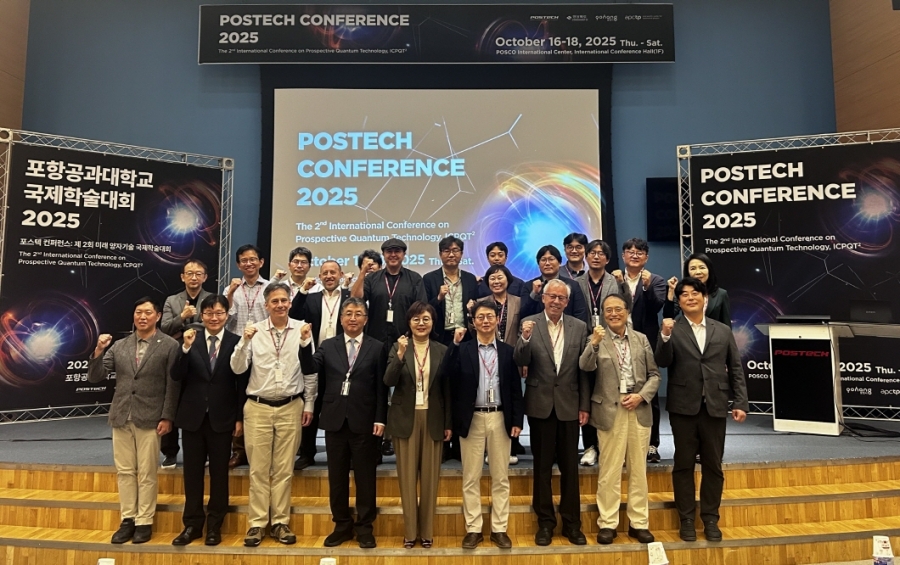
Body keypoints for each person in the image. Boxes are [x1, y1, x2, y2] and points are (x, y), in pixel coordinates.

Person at [655, 277, 748, 543]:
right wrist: (664, 336)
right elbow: (662, 361)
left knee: (713, 466)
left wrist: (740, 402)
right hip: (683, 407)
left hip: (715, 405)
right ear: (679, 301)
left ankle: (710, 518)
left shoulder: (722, 330)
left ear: (704, 298)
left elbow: (736, 368)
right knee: (683, 465)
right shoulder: (672, 328)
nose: (690, 297)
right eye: (684, 294)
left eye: (695, 293)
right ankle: (686, 518)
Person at [230, 282, 317, 548]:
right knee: (258, 470)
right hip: (258, 407)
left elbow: (310, 371)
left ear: (290, 302)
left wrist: (309, 404)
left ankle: (280, 522)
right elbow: (237, 368)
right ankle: (257, 523)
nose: (280, 305)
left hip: (291, 406)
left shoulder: (302, 329)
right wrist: (244, 341)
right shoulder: (254, 331)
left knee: (283, 470)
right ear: (266, 305)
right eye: (275, 301)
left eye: (284, 300)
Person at [87, 297, 180, 545]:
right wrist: (99, 350)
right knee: (125, 472)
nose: (142, 317)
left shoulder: (169, 345)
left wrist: (167, 416)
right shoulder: (120, 345)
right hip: (121, 415)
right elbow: (95, 377)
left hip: (151, 417)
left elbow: (173, 386)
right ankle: (127, 519)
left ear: (158, 316)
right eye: (138, 312)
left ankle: (144, 521)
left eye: (148, 312)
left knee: (147, 473)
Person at [300, 297, 389, 549]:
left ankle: (365, 527)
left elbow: (381, 388)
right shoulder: (328, 345)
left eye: (358, 314)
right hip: (335, 420)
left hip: (365, 421)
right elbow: (310, 367)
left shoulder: (377, 347)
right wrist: (305, 343)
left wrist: (381, 418)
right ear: (340, 319)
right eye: (348, 313)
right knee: (337, 478)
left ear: (366, 319)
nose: (353, 318)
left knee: (365, 477)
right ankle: (341, 525)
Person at [514, 279, 590, 546]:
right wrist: (524, 339)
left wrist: (584, 405)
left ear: (567, 302)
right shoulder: (529, 323)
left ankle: (572, 524)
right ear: (543, 298)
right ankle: (545, 523)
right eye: (552, 296)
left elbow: (583, 370)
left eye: (561, 298)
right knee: (542, 467)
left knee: (570, 468)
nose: (556, 301)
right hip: (540, 404)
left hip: (570, 404)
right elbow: (520, 360)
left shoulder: (579, 327)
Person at [579, 294, 659, 545]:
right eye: (608, 310)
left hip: (638, 407)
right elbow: (584, 366)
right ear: (602, 314)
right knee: (610, 470)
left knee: (638, 470)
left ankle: (639, 523)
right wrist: (594, 343)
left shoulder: (641, 339)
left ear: (627, 311)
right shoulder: (596, 339)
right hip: (609, 410)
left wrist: (641, 396)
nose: (613, 314)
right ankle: (607, 523)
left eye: (618, 309)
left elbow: (654, 375)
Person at [170, 294, 248, 547]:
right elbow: (176, 374)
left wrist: (239, 418)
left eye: (219, 313)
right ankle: (192, 525)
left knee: (219, 474)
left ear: (227, 315)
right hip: (192, 417)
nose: (214, 318)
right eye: (209, 313)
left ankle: (215, 525)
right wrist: (184, 348)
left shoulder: (237, 342)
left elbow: (241, 384)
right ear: (201, 316)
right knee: (192, 474)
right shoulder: (190, 339)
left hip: (222, 418)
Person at [446, 301, 524, 550]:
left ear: (497, 320)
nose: (486, 321)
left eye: (490, 316)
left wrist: (517, 421)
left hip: (500, 417)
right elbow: (447, 376)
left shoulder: (508, 351)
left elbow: (515, 389)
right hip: (473, 418)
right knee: (471, 477)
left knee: (501, 477)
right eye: (480, 317)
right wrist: (454, 344)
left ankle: (499, 529)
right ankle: (474, 528)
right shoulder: (464, 349)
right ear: (473, 322)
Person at [384, 302, 451, 548]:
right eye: (416, 319)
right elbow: (388, 380)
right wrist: (401, 355)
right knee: (407, 478)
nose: (421, 324)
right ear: (409, 322)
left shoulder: (442, 350)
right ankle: (410, 532)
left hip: (433, 418)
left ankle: (427, 532)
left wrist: (448, 423)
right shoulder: (398, 347)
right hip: (406, 419)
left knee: (431, 480)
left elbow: (447, 390)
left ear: (433, 322)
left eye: (426, 319)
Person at [351, 237, 426, 460]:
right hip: (375, 343)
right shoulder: (373, 278)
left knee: (403, 391)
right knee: (376, 392)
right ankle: (376, 442)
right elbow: (355, 298)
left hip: (403, 342)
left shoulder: (414, 278)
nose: (393, 255)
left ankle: (397, 440)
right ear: (383, 255)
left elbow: (420, 309)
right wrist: (362, 273)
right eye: (389, 251)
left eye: (397, 251)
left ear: (404, 254)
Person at [574, 240, 632, 467]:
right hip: (585, 342)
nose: (596, 256)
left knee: (609, 393)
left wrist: (623, 284)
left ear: (607, 259)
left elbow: (627, 306)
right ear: (586, 257)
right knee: (588, 393)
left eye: (601, 253)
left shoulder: (615, 281)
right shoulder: (576, 283)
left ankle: (616, 445)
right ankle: (590, 446)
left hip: (611, 341)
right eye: (592, 253)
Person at [289, 260, 350, 470]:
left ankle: (343, 454)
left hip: (343, 360)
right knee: (311, 403)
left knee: (340, 406)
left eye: (333, 272)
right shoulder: (312, 298)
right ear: (320, 276)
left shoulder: (349, 297)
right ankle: (307, 453)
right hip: (316, 357)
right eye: (325, 273)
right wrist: (303, 292)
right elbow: (293, 314)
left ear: (340, 274)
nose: (329, 276)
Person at [614, 238, 666, 463]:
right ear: (623, 255)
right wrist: (620, 285)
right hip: (618, 342)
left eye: (639, 252)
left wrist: (646, 287)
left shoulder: (656, 280)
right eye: (630, 251)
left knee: (648, 393)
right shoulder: (614, 278)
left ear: (646, 257)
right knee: (618, 392)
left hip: (645, 343)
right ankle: (623, 444)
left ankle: (652, 444)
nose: (634, 255)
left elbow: (656, 307)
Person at [159, 259, 212, 469]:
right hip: (176, 354)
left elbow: (214, 324)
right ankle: (170, 451)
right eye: (189, 273)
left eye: (198, 273)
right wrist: (182, 317)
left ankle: (204, 450)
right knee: (172, 398)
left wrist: (182, 330)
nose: (194, 277)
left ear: (205, 277)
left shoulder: (211, 299)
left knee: (200, 400)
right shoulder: (172, 301)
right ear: (182, 277)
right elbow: (164, 328)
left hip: (203, 355)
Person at [473, 263, 523, 464]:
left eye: (500, 277)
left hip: (510, 357)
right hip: (486, 355)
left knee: (510, 398)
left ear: (508, 280)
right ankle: (487, 449)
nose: (496, 281)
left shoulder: (518, 301)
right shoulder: (480, 303)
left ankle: (510, 446)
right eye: (492, 278)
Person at [226, 244, 269, 468]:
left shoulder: (270, 288)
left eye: (253, 259)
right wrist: (230, 294)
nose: (249, 263)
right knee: (237, 399)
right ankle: (238, 450)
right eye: (244, 260)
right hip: (238, 348)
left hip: (264, 350)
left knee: (260, 399)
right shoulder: (231, 289)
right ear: (238, 264)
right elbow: (225, 318)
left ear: (261, 262)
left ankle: (259, 449)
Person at [423, 236, 478, 345]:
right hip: (439, 337)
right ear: (440, 254)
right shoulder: (429, 279)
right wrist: (438, 298)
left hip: (466, 335)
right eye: (447, 251)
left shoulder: (470, 279)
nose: (451, 255)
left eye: (455, 250)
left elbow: (477, 307)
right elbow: (424, 309)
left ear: (461, 254)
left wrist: (472, 308)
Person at [520, 245, 591, 327]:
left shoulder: (573, 285)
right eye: (543, 260)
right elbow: (523, 315)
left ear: (559, 262)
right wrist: (534, 294)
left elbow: (580, 313)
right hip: (537, 331)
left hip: (566, 330)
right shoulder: (529, 286)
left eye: (551, 259)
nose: (547, 263)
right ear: (538, 264)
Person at [663, 252, 732, 327]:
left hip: (715, 334)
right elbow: (668, 317)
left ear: (709, 270)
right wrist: (671, 291)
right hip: (689, 333)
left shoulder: (721, 294)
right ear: (688, 272)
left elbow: (726, 325)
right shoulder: (683, 293)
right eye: (693, 269)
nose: (698, 272)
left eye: (702, 267)